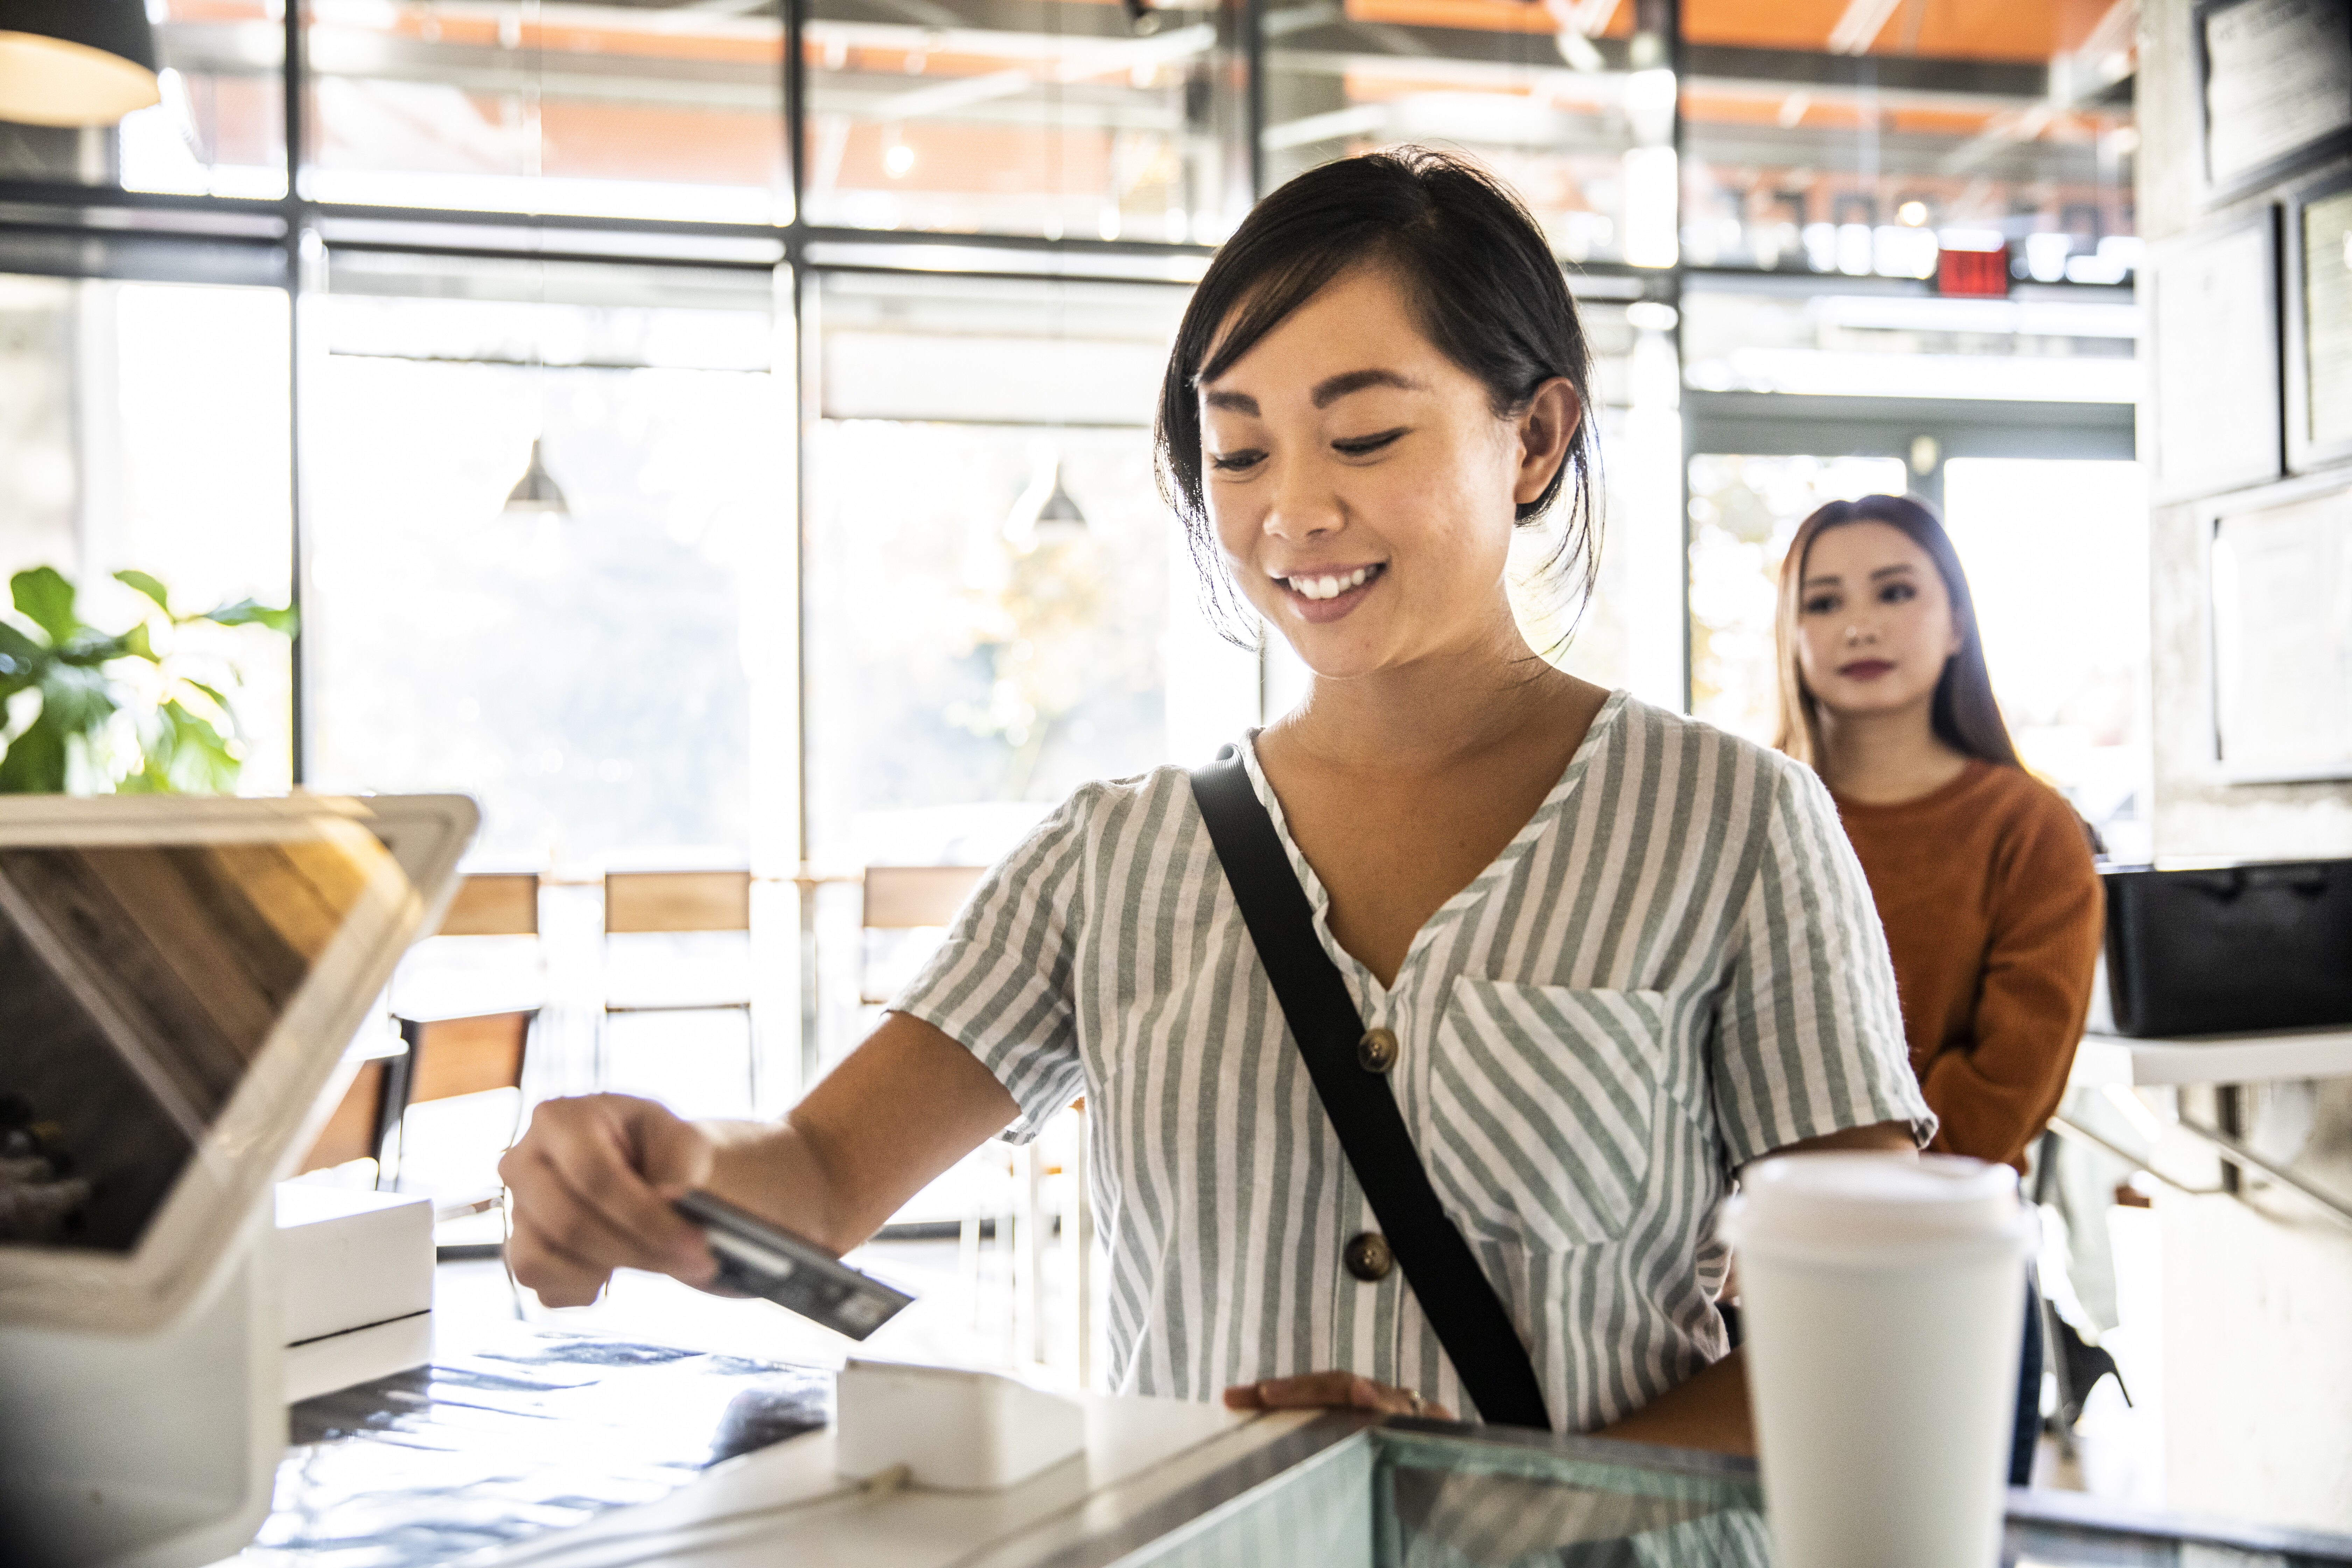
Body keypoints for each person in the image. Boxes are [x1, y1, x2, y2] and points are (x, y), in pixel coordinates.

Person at [499, 148, 1931, 1451]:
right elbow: (818, 1172)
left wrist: (1489, 1491)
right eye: (1238, 450)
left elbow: (1865, 1335)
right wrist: (663, 1171)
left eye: (1365, 438)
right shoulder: (1111, 858)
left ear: (1537, 438)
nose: (1291, 512)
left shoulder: (1731, 823)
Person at [1771, 492, 2104, 1481]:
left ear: (1957, 621)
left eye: (1896, 591)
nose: (1860, 623)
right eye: (1824, 601)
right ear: (1790, 635)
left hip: (1946, 1279)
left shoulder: (2032, 828)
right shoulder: (1742, 812)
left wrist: (1815, 1191)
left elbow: (2009, 1086)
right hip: (1744, 1286)